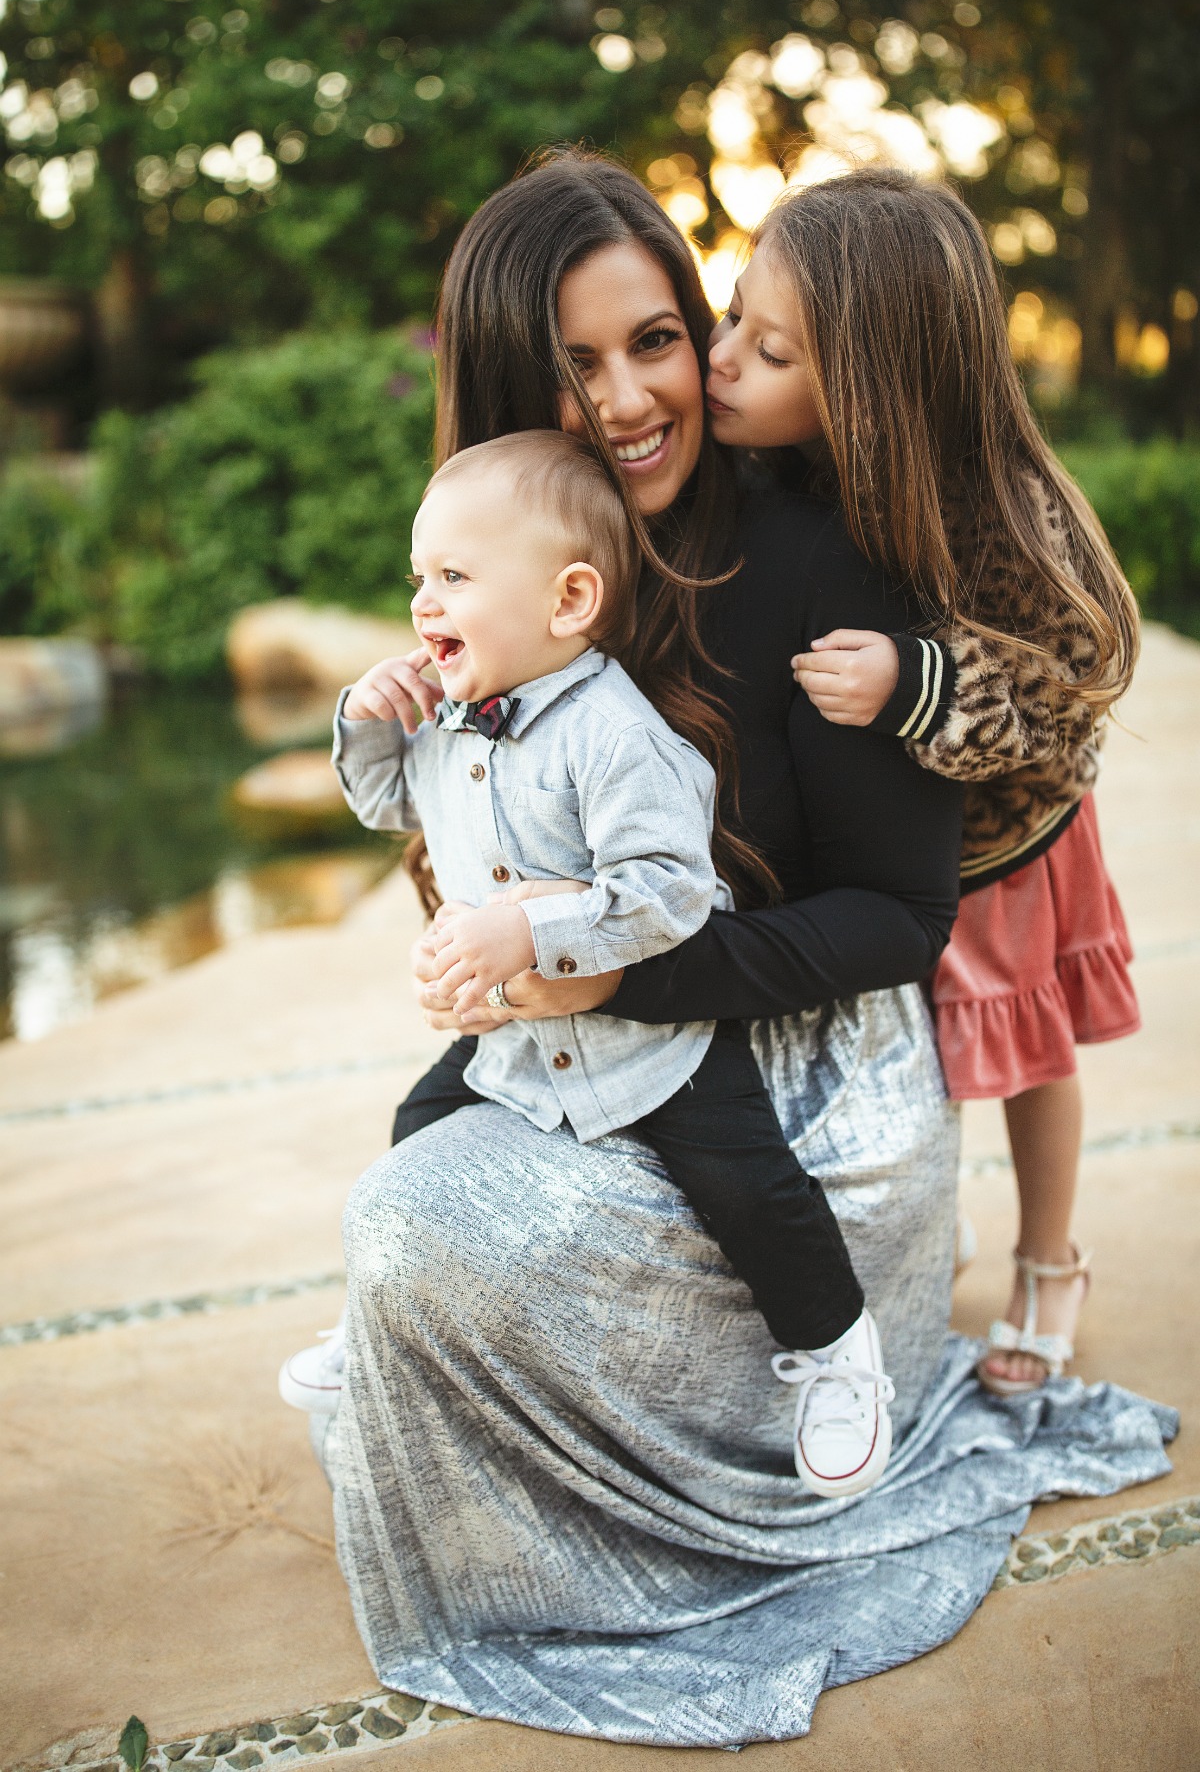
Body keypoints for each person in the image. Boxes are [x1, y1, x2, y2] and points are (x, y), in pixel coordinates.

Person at [279, 152, 1171, 1749]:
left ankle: (824, 1369)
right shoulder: (505, 582)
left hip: (811, 1097)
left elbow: (902, 922)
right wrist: (414, 752)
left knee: (417, 1237)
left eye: (659, 339)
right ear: (508, 389)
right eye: (573, 364)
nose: (631, 398)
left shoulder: (827, 564)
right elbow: (479, 869)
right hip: (601, 1053)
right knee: (404, 1213)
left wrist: (622, 974)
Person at [330, 428, 894, 1496]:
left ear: (570, 599)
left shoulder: (614, 735)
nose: (423, 605)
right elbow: (383, 800)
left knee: (749, 1186)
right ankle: (376, 1334)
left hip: (655, 1040)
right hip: (527, 1042)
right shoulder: (452, 725)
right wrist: (366, 723)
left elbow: (672, 894)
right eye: (419, 579)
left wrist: (522, 932)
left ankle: (837, 1352)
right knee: (416, 1132)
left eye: (454, 577)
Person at [706, 167, 1141, 1397]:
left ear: (872, 386)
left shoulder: (1005, 509)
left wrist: (921, 679)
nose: (726, 359)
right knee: (915, 1049)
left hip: (1006, 845)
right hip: (890, 855)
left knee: (1024, 1051)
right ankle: (918, 1225)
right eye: (733, 317)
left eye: (768, 347)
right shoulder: (790, 471)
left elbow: (1081, 681)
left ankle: (1050, 1256)